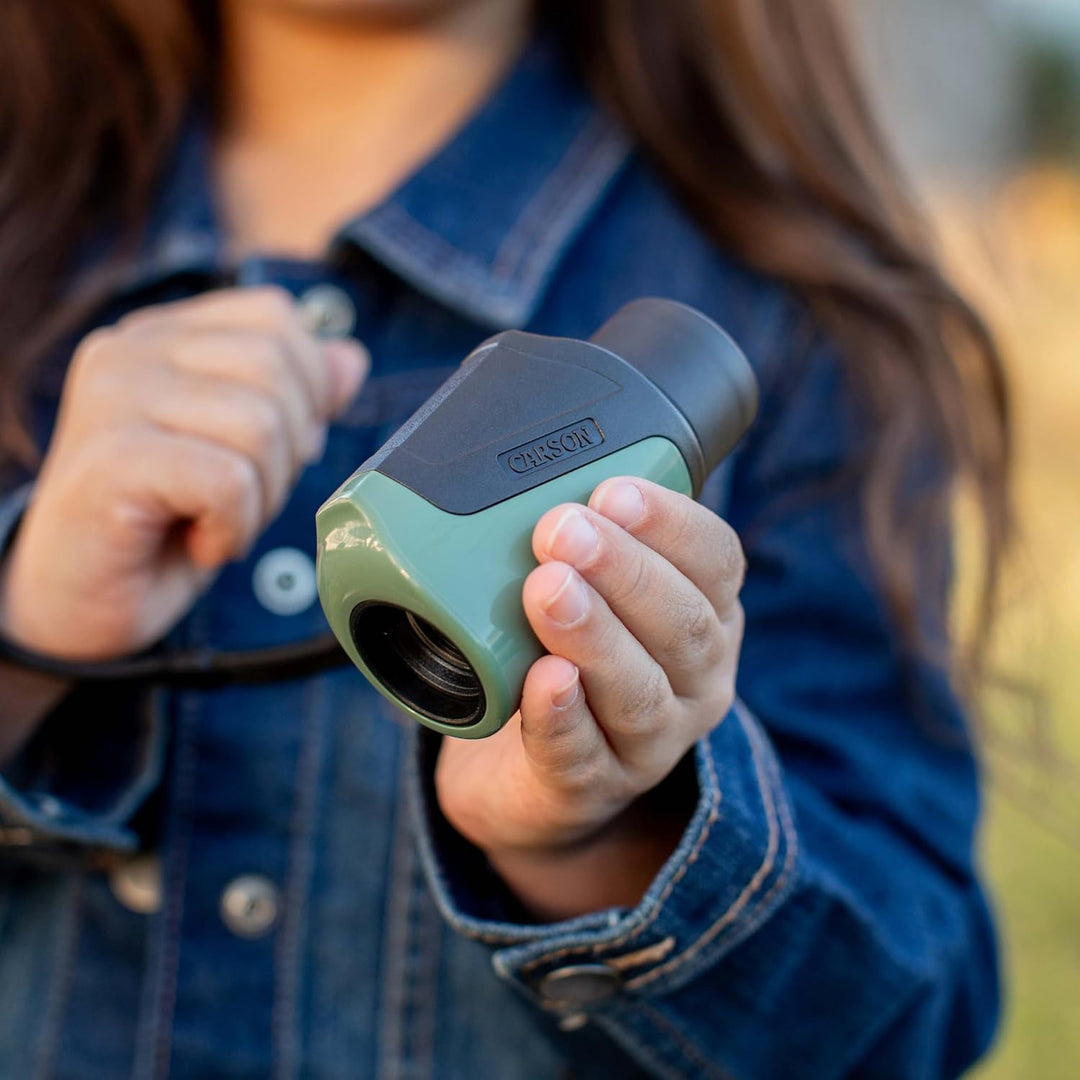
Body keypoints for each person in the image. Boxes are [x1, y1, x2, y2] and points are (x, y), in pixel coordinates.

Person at [0, 1, 1011, 1077]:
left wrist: (602, 840)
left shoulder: (792, 320)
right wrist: (25, 641)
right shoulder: (27, 241)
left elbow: (908, 1023)